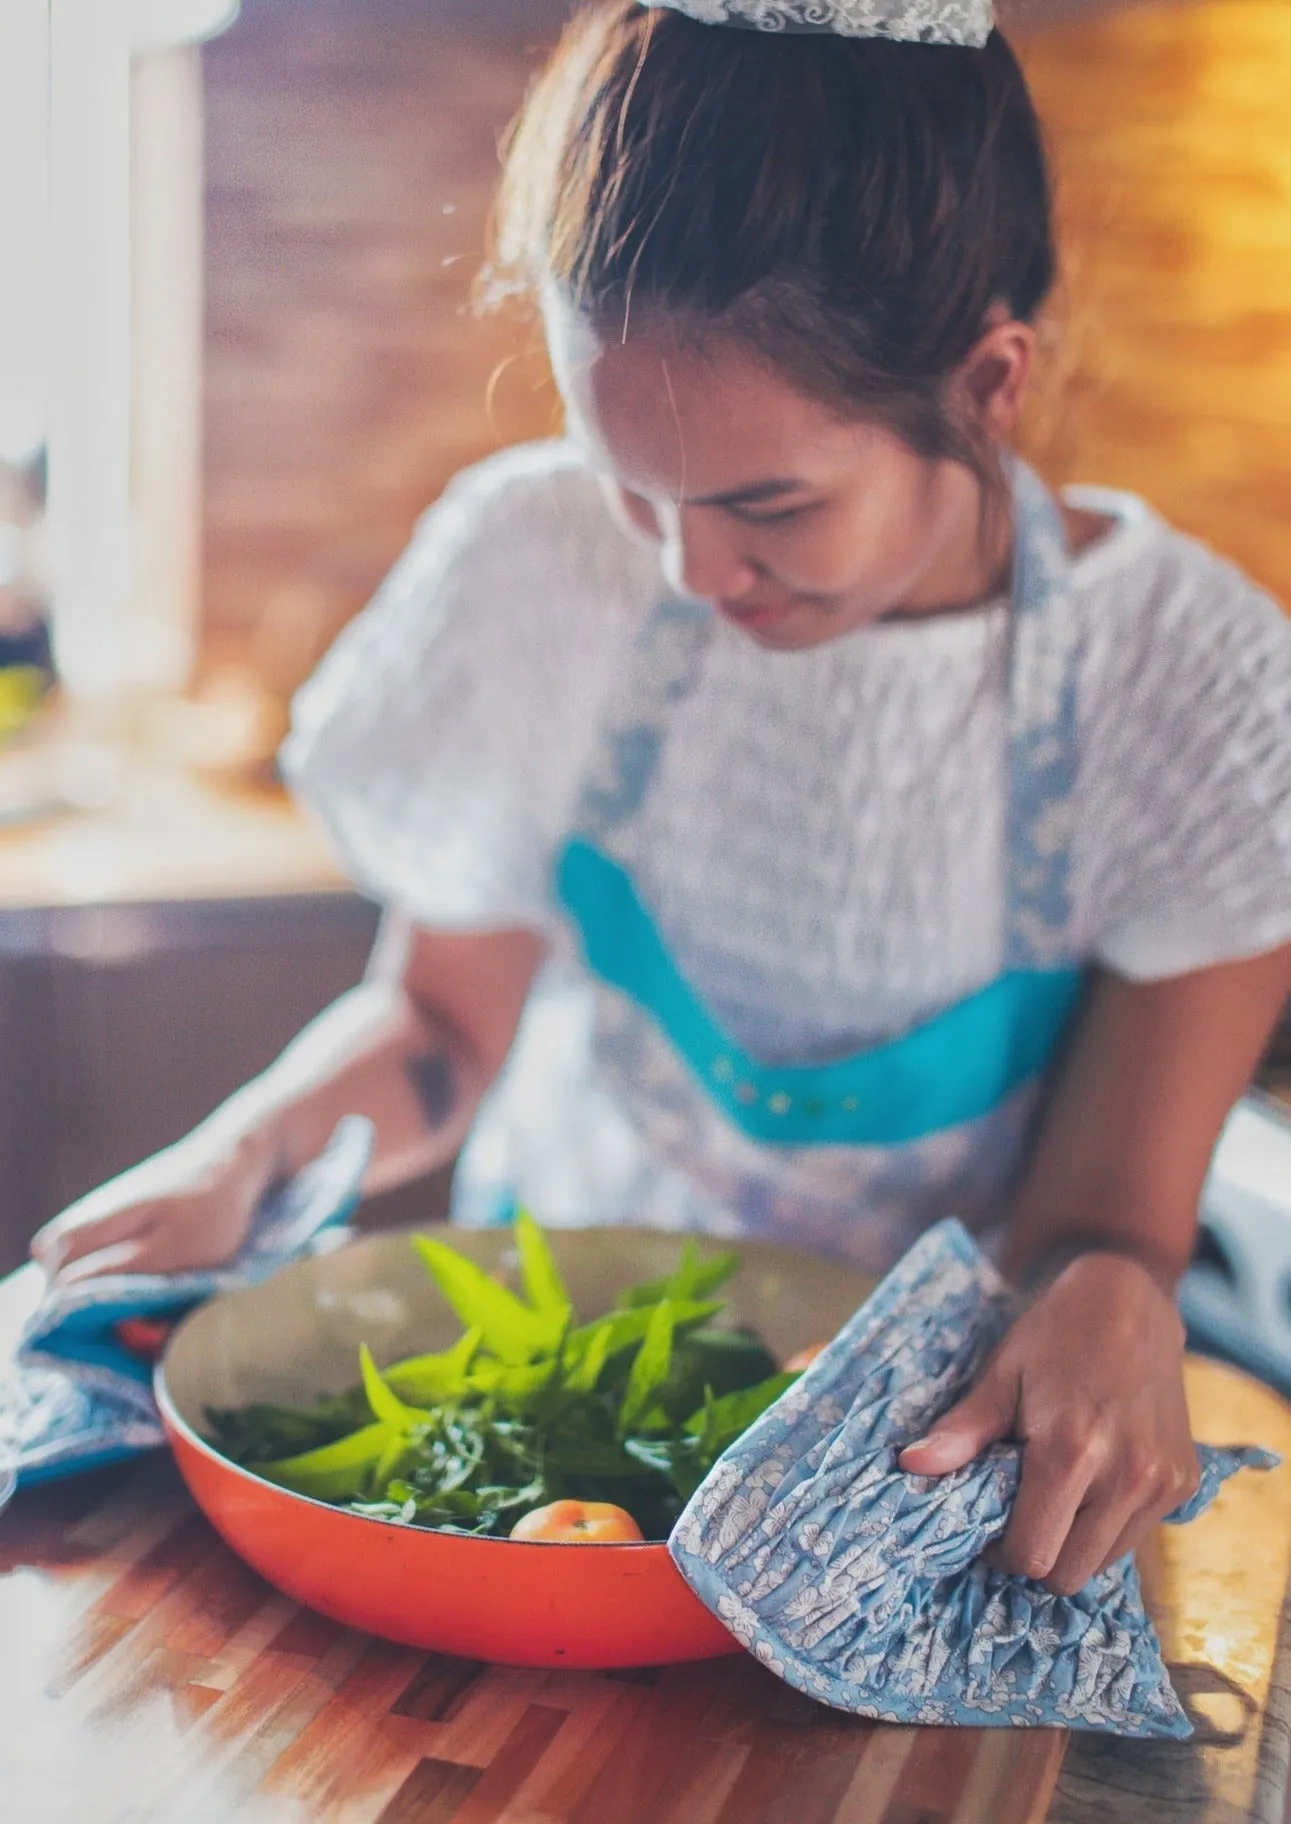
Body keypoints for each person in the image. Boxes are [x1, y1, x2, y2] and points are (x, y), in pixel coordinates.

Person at [31, 0, 1291, 1597]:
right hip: (554, 1430)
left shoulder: (1188, 686)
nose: (688, 573)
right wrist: (242, 1150)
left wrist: (1117, 1287)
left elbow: (1093, 1223)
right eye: (631, 485)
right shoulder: (535, 567)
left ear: (985, 385)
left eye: (769, 502)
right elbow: (436, 1032)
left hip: (898, 1481)